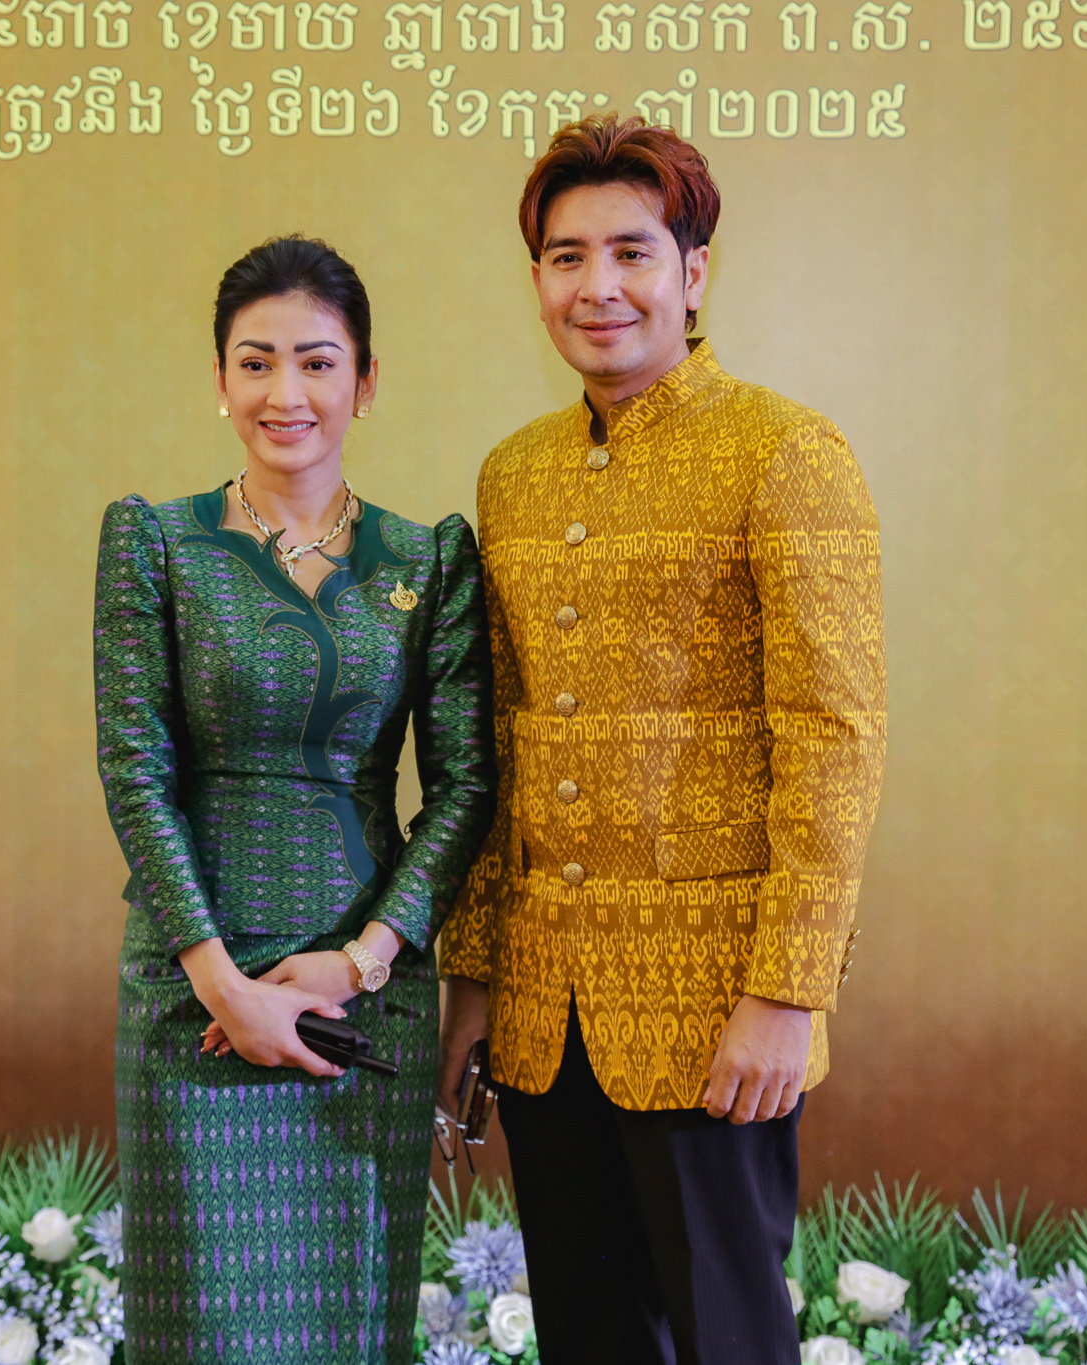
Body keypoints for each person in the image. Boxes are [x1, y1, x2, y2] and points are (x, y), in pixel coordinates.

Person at [436, 116, 888, 1363]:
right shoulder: (512, 475)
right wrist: (475, 980)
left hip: (714, 1016)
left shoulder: (783, 450)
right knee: (587, 1341)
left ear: (692, 274)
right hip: (546, 1014)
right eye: (564, 257)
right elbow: (499, 742)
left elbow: (834, 737)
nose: (598, 286)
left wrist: (785, 993)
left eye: (630, 252)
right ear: (536, 280)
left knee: (727, 1339)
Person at [93, 235, 495, 1362]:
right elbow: (134, 769)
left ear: (364, 382)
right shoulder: (156, 543)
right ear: (219, 382)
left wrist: (363, 959)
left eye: (317, 362)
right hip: (194, 995)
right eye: (255, 361)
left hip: (361, 1004)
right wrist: (223, 986)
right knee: (199, 1330)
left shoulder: (429, 558)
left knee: (347, 1330)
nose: (286, 392)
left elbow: (465, 783)